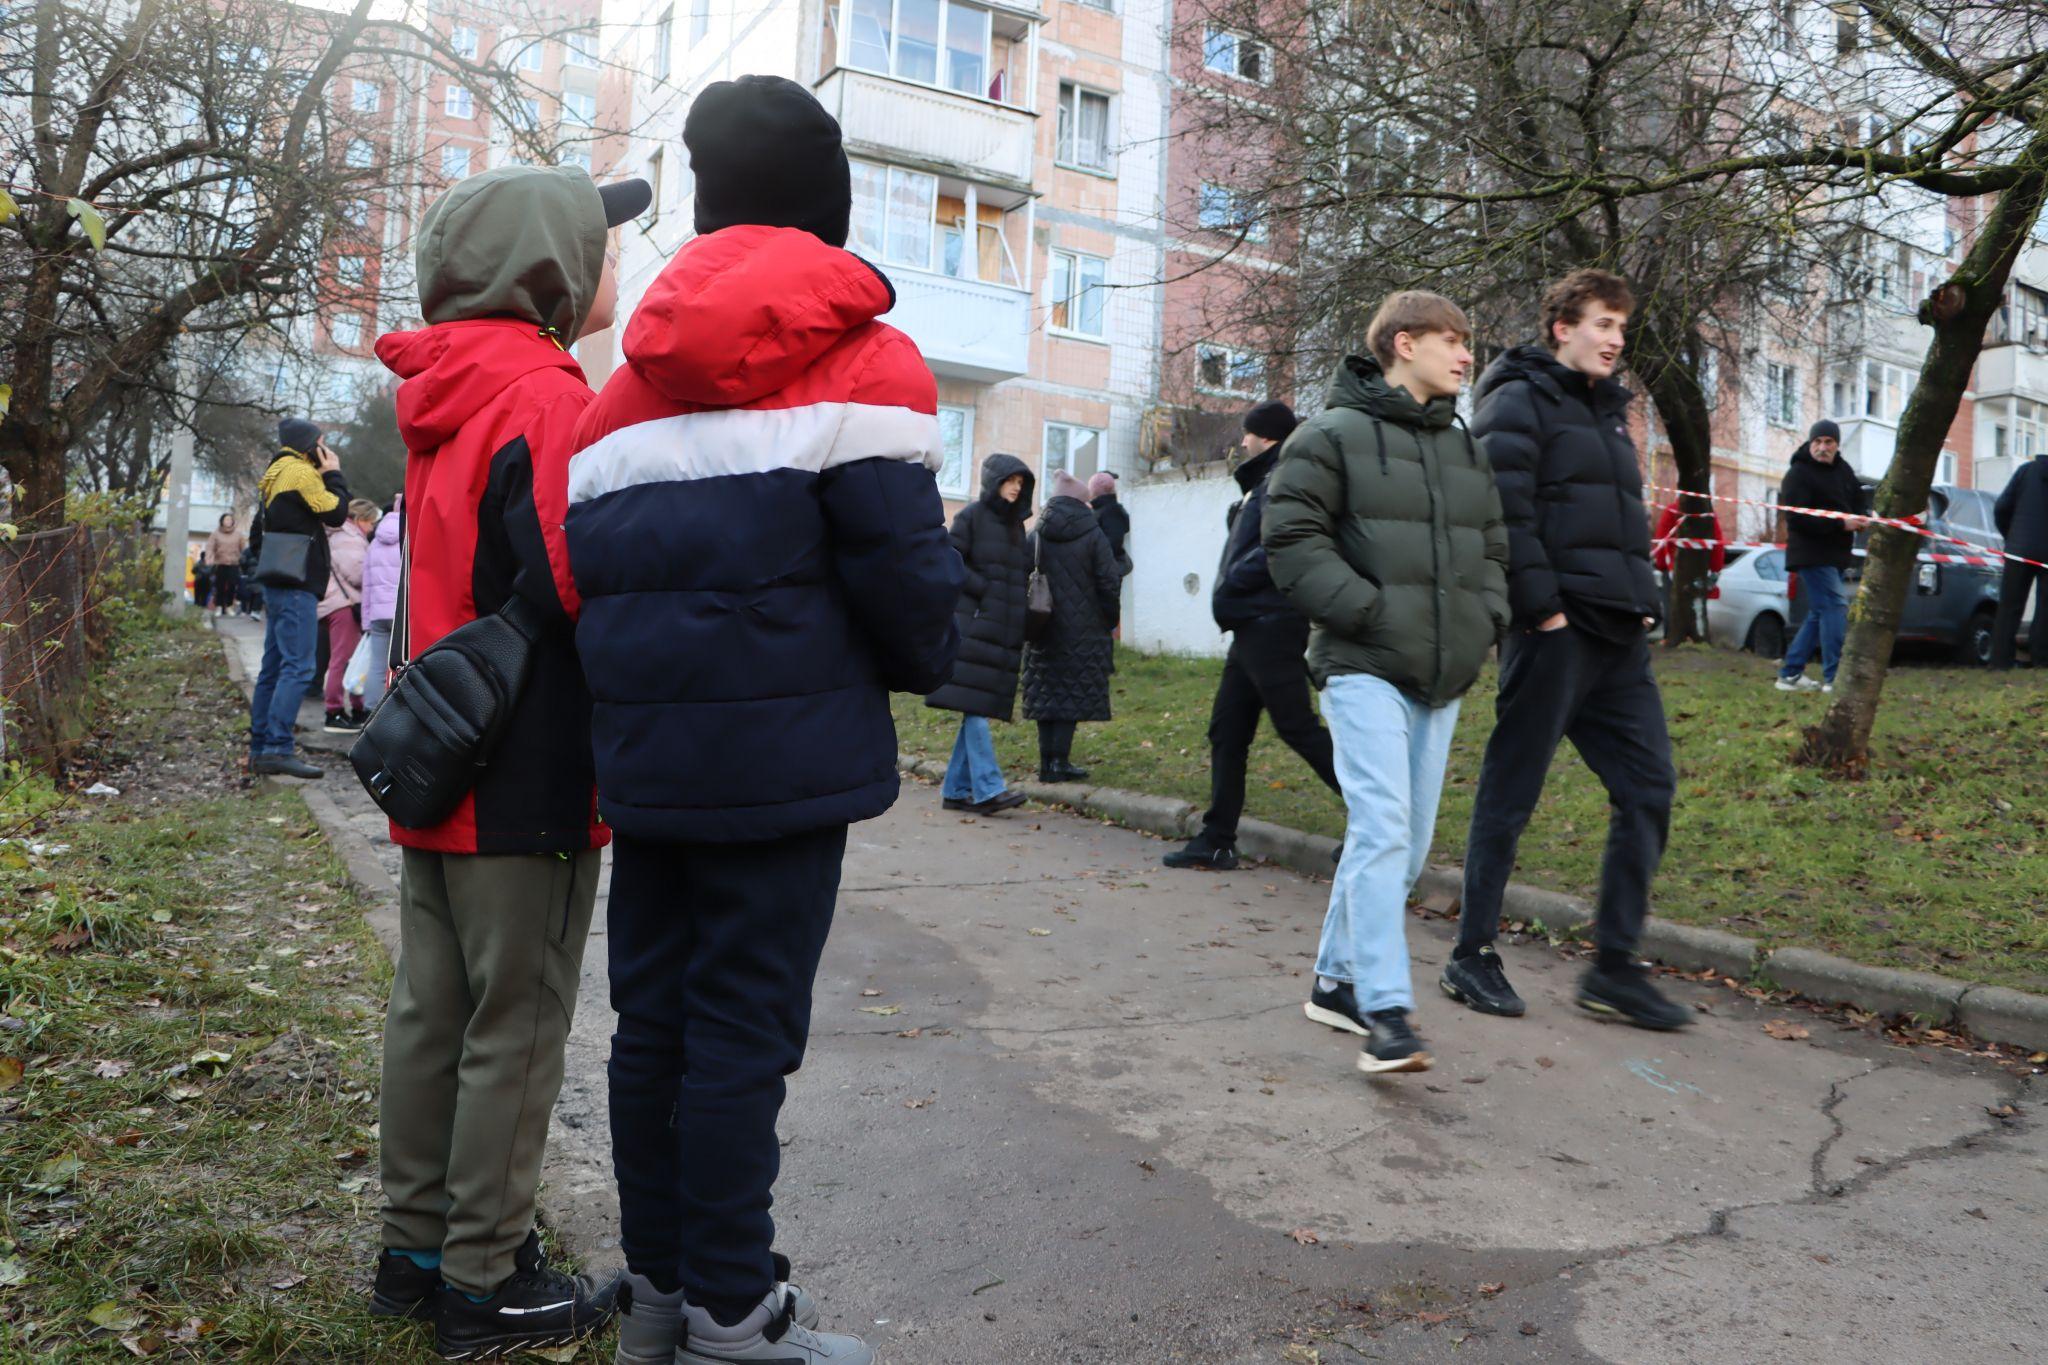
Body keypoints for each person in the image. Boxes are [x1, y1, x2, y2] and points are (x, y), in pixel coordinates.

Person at [563, 76, 961, 1365]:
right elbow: (904, 572)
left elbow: (580, 577)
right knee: (743, 1033)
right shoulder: (867, 360)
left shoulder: (616, 393)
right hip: (784, 766)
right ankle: (737, 1316)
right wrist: (926, 665)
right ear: (824, 203)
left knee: (653, 1028)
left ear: (709, 203)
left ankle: (663, 1297)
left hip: (646, 761)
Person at [367, 163, 652, 1360]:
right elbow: (572, 578)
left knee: (432, 1010)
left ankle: (416, 1253)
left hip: (440, 742)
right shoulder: (542, 392)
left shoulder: (446, 384)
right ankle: (486, 1283)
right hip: (524, 759)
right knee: (517, 1025)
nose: (615, 262)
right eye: (602, 243)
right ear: (550, 266)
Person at [1264, 292, 1508, 1075]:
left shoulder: (1462, 445)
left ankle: (1335, 981)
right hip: (1362, 662)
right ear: (1404, 343)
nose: (1466, 357)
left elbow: (1493, 546)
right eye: (1454, 340)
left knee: (1407, 846)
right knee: (1382, 828)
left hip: (1441, 673)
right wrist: (1367, 612)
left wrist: (1485, 619)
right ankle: (1387, 1012)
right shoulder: (1330, 435)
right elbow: (1291, 536)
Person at [1445, 268, 1687, 1031]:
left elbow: (1616, 520)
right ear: (1562, 327)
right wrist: (1542, 610)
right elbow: (1500, 510)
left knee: (1648, 788)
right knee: (1511, 791)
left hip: (1619, 638)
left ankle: (1613, 967)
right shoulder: (1518, 398)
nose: (1616, 340)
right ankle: (1471, 952)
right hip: (1554, 633)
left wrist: (1644, 604)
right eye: (1603, 324)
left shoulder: (1610, 413)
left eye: (1621, 327)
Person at [1165, 401, 1341, 872]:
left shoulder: (1286, 477)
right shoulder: (1266, 481)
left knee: (1297, 727)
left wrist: (1236, 578)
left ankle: (1379, 821)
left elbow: (1284, 543)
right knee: (1227, 731)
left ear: (1265, 437)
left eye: (1247, 433)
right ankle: (1217, 840)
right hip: (1251, 625)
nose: (1242, 441)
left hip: (1270, 622)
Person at [925, 454, 1034, 816]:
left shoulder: (1016, 527)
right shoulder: (972, 516)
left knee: (976, 707)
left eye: (1020, 482)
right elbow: (949, 558)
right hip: (973, 625)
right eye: (1010, 480)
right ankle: (988, 788)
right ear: (995, 481)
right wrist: (983, 590)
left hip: (1000, 630)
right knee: (975, 709)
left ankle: (956, 791)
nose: (1016, 487)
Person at [247, 420, 349, 779]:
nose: (326, 449)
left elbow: (256, 535)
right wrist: (333, 474)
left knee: (274, 667)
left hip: (278, 581)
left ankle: (260, 748)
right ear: (309, 445)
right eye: (322, 442)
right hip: (296, 583)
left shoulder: (274, 473)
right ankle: (278, 748)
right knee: (300, 667)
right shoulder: (301, 473)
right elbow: (336, 513)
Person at [1023, 470, 1122, 782]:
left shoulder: (1036, 534)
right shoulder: (1093, 534)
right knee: (1071, 691)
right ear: (1081, 502)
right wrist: (1109, 618)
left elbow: (1019, 574)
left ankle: (1046, 764)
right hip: (1083, 628)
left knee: (1045, 691)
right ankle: (1060, 762)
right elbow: (1109, 581)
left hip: (1042, 625)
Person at [1776, 419, 1869, 692]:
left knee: (1819, 613)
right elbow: (1797, 519)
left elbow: (1857, 500)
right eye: (1817, 441)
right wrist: (1841, 524)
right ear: (1810, 443)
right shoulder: (1798, 474)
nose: (1822, 447)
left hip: (1836, 555)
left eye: (1829, 442)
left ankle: (1790, 674)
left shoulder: (1843, 470)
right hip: (1810, 554)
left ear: (1837, 445)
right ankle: (1834, 678)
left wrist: (1862, 517)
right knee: (1835, 607)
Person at [318, 498, 377, 732]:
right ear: (360, 519)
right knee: (343, 660)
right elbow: (357, 573)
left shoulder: (337, 534)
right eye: (370, 522)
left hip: (334, 602)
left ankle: (352, 707)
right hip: (343, 604)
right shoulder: (350, 538)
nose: (372, 528)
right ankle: (334, 711)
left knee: (344, 659)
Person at [1990, 449, 2048, 669]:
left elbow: (2001, 507)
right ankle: (2042, 659)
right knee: (2045, 608)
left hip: (2018, 550)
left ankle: (1999, 661)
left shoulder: (2025, 472)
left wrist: (2011, 536)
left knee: (2009, 606)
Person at [1650, 492, 1725, 639]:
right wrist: (1716, 568)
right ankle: (1696, 637)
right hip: (1699, 572)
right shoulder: (1708, 515)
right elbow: (1717, 544)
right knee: (1696, 610)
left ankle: (1671, 638)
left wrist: (1661, 565)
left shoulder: (1671, 511)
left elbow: (1662, 539)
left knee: (1672, 610)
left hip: (1673, 572)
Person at [359, 497, 401, 712]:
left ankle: (370, 711)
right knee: (401, 666)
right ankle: (394, 714)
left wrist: (366, 619)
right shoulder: (409, 537)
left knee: (376, 666)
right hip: (401, 614)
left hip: (377, 614)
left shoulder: (374, 544)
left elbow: (366, 585)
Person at [1089, 470, 1132, 576]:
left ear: (1094, 491)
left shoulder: (1111, 511)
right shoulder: (1099, 509)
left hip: (1107, 570)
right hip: (1104, 569)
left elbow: (1113, 543)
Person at [205, 513, 246, 618]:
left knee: (232, 585)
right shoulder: (215, 534)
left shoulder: (238, 534)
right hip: (220, 563)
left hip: (234, 563)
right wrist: (209, 557)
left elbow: (243, 548)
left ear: (233, 522)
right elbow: (210, 547)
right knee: (220, 586)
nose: (228, 521)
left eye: (230, 520)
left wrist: (243, 557)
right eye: (226, 519)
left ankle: (229, 606)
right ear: (222, 521)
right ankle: (219, 606)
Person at [190, 547, 213, 614]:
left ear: (201, 556)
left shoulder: (197, 563)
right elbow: (212, 572)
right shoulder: (210, 564)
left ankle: (197, 605)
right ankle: (203, 605)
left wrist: (198, 572)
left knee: (197, 593)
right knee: (205, 593)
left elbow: (193, 571)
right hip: (207, 581)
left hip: (198, 580)